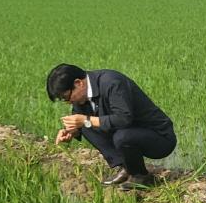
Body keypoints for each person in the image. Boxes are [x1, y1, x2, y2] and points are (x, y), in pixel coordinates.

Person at [46, 64, 177, 190]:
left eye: (66, 97)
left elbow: (123, 119)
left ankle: (141, 176)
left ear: (78, 83)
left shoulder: (111, 82)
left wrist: (86, 120)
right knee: (85, 125)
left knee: (120, 136)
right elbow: (84, 122)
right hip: (130, 132)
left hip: (160, 138)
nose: (68, 102)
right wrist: (71, 132)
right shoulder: (81, 97)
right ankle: (125, 168)